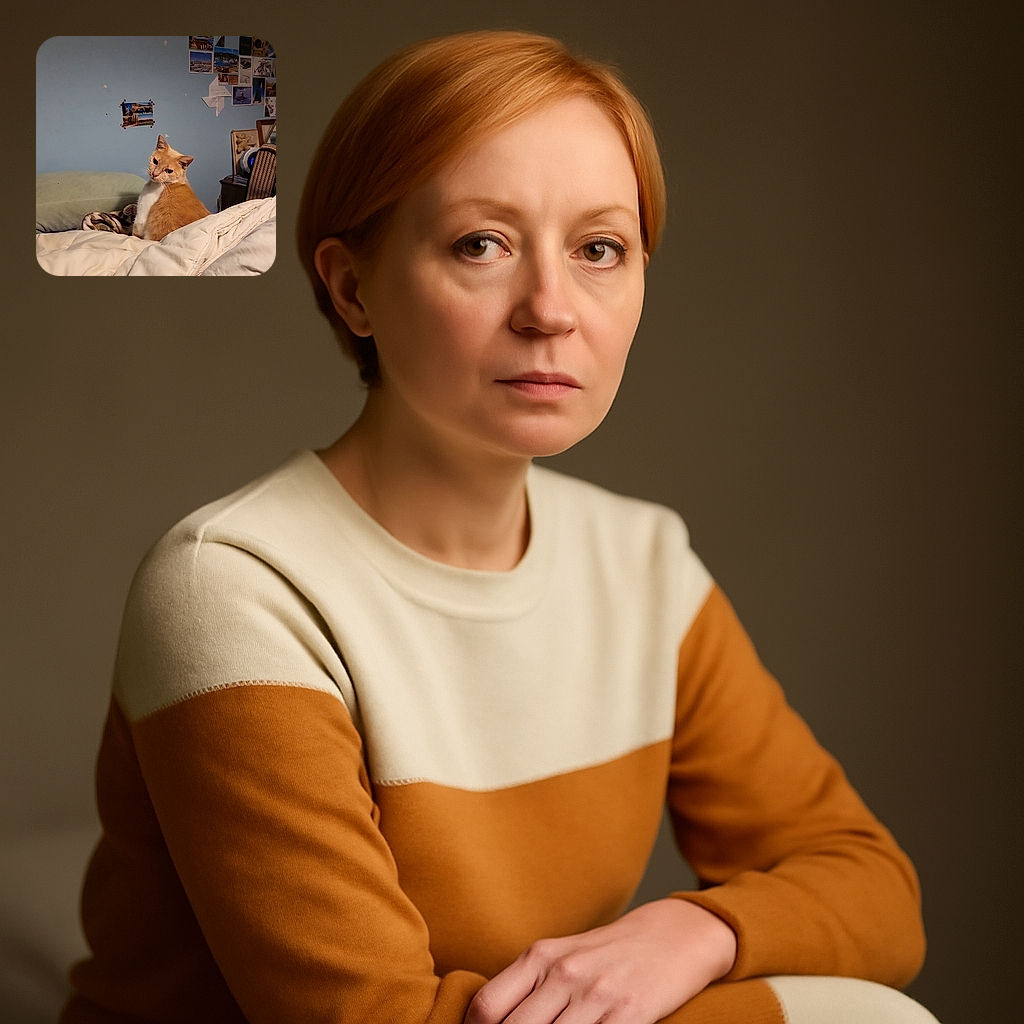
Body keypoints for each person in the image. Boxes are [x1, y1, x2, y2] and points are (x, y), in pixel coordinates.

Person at [62, 30, 937, 1024]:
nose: (552, 309)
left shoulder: (642, 565)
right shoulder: (236, 587)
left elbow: (874, 892)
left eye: (599, 248)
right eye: (481, 243)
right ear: (353, 288)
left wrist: (692, 932)